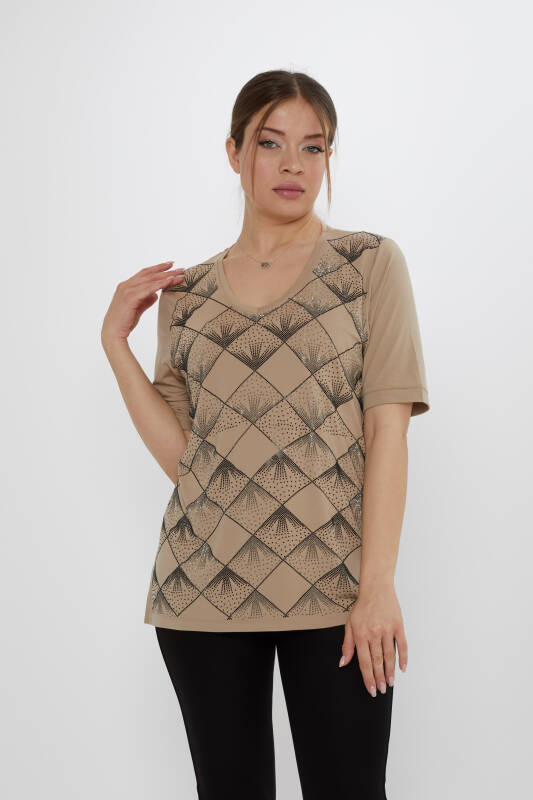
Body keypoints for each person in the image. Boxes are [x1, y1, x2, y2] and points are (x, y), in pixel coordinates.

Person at [101, 69, 430, 800]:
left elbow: (388, 432)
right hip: (201, 592)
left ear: (329, 158)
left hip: (337, 594)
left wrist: (377, 587)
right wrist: (115, 346)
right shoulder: (188, 296)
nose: (293, 164)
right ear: (234, 151)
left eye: (313, 147)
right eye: (270, 143)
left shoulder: (370, 264)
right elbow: (187, 461)